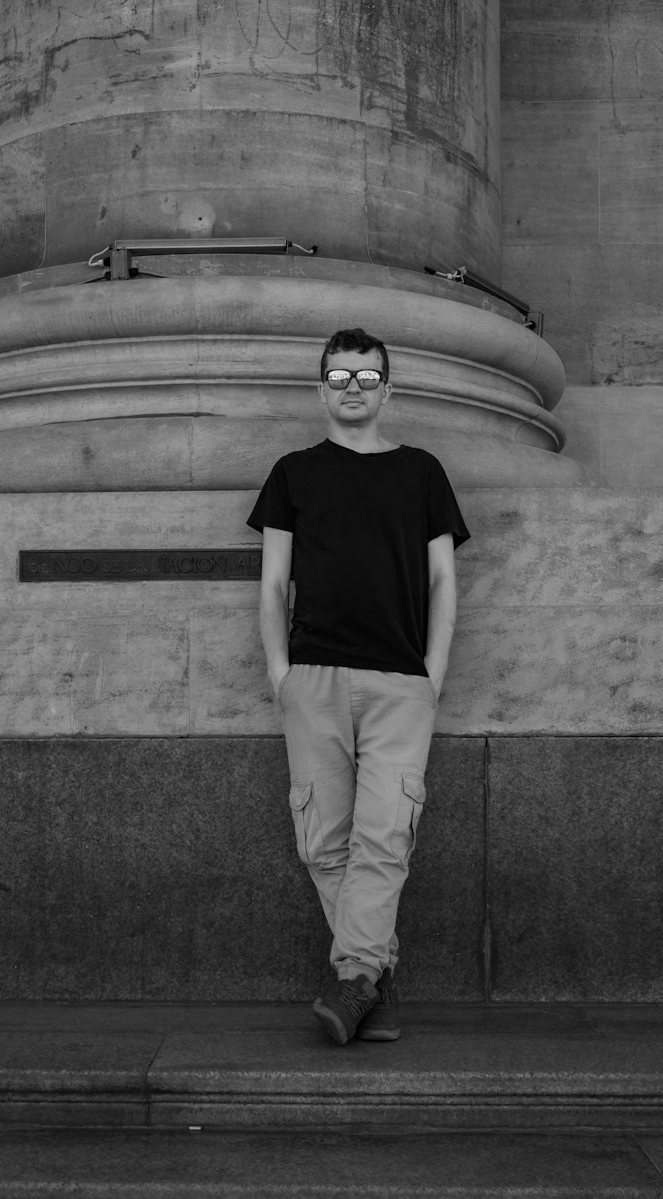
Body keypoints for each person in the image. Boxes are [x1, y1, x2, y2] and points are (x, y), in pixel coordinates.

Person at [246, 327, 469, 1045]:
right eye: (340, 378)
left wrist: (433, 675)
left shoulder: (423, 472)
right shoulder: (292, 473)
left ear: (387, 390)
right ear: (321, 389)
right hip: (313, 678)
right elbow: (274, 582)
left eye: (366, 378)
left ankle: (356, 980)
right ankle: (372, 981)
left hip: (403, 681)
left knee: (384, 839)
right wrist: (280, 673)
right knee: (324, 841)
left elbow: (443, 580)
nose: (352, 389)